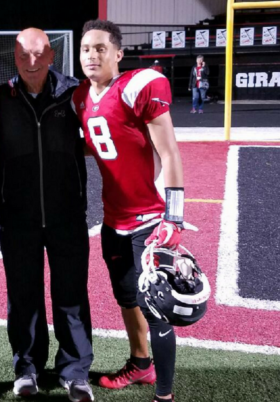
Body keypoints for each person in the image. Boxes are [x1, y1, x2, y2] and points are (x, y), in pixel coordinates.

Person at [73, 19, 186, 402]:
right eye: (86, 48)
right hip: (113, 219)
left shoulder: (137, 86)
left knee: (157, 306)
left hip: (151, 219)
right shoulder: (80, 98)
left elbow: (169, 151)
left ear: (118, 54)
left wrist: (174, 215)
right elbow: (102, 143)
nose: (92, 55)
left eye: (100, 48)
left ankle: (165, 395)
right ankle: (141, 364)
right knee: (127, 298)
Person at [0, 28, 95, 402]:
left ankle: (75, 371)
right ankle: (27, 368)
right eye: (22, 56)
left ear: (52, 54)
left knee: (71, 294)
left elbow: (104, 132)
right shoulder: (1, 98)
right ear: (14, 59)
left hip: (67, 215)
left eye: (38, 55)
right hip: (17, 219)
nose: (31, 63)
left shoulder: (74, 94)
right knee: (23, 296)